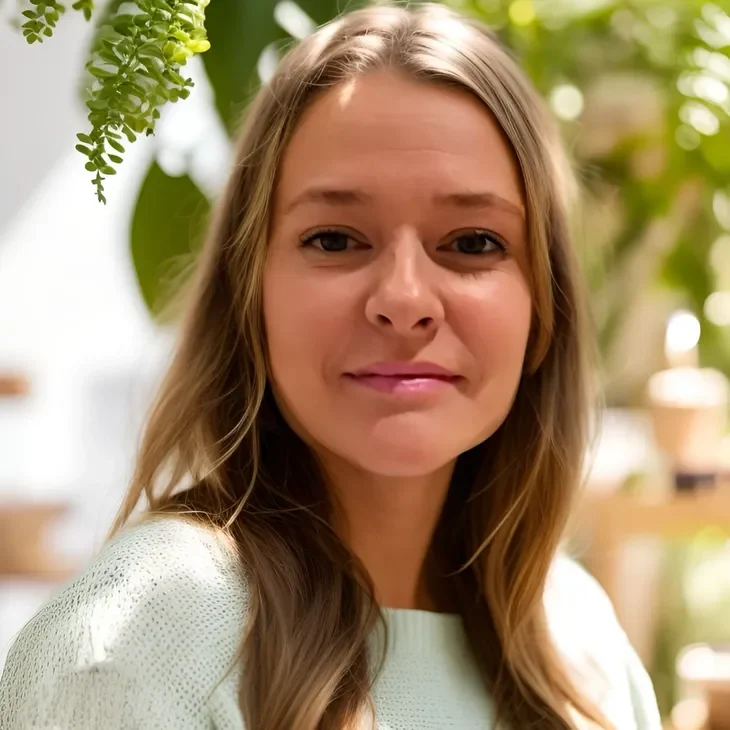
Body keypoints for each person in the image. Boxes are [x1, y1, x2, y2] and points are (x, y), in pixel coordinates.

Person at [0, 3, 662, 729]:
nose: (405, 300)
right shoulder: (133, 648)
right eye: (336, 239)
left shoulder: (581, 643)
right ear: (249, 294)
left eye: (473, 242)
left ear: (545, 306)